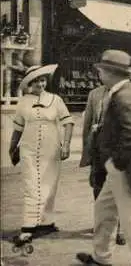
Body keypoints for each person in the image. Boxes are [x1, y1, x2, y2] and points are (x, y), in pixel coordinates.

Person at [76, 49, 131, 266]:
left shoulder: (125, 96)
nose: (99, 74)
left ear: (110, 72)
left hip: (127, 168)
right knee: (104, 210)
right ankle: (101, 258)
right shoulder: (123, 91)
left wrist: (116, 162)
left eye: (101, 70)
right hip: (122, 167)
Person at [9, 64, 74, 245]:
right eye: (36, 81)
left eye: (43, 80)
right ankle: (28, 228)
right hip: (28, 150)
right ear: (30, 83)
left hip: (51, 150)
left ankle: (46, 222)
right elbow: (17, 129)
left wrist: (66, 145)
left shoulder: (56, 100)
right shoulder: (23, 102)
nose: (40, 84)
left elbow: (68, 123)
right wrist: (11, 148)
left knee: (49, 186)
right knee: (31, 187)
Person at [80, 84, 125, 245]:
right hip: (99, 147)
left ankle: (120, 228)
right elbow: (87, 122)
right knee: (98, 186)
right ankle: (101, 225)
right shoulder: (94, 94)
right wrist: (88, 149)